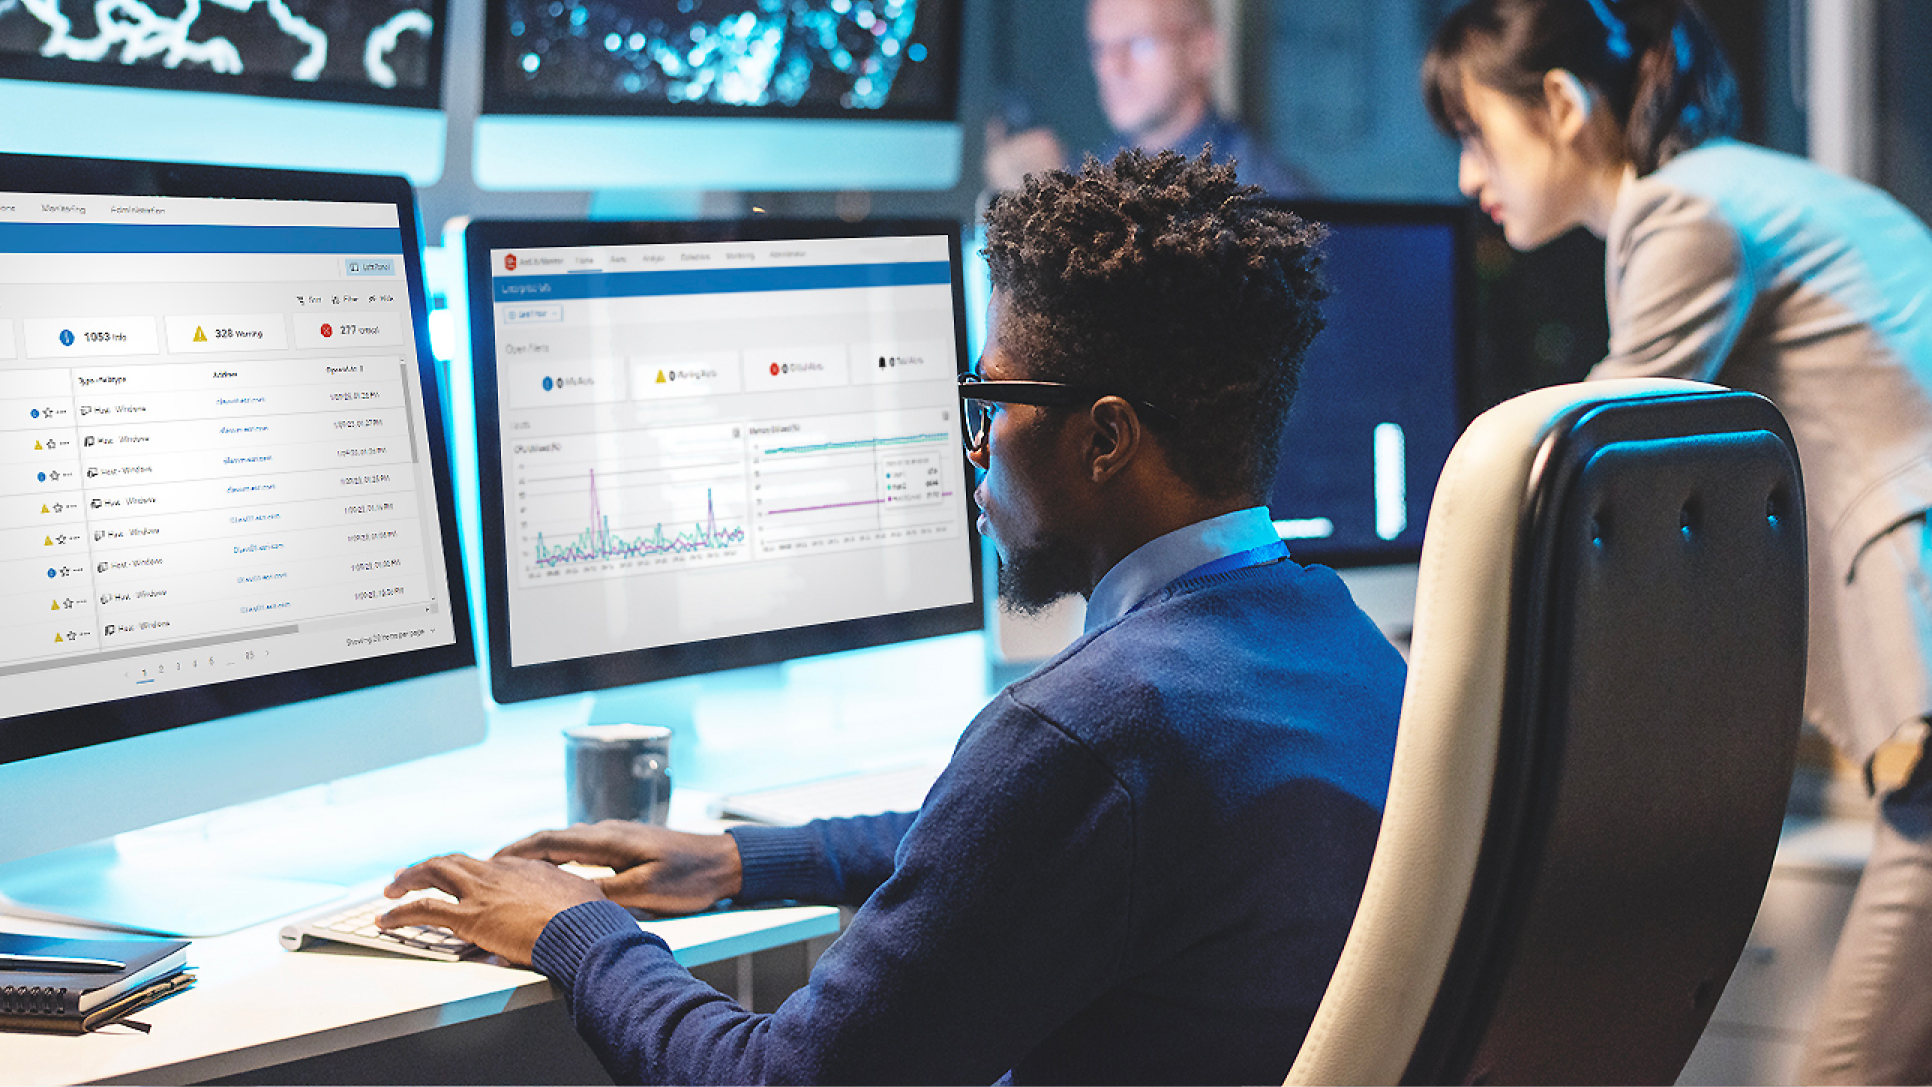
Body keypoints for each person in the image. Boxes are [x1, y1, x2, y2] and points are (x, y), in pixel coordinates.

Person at [379, 151, 1404, 1085]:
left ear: (1104, 439)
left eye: (991, 402)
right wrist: (749, 861)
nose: (973, 446)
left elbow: (775, 1081)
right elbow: (1031, 843)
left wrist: (577, 926)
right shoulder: (1342, 648)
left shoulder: (1085, 734)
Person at [1421, 1, 1932, 1082]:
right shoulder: (1760, 181)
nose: (1471, 178)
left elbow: (1581, 472)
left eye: (1474, 134)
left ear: (1560, 106)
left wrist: (1434, 657)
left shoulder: (1682, 213)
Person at [984, 0, 1306, 196]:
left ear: (1203, 49)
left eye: (1139, 44)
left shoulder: (1262, 194)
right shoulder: (1098, 170)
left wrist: (1056, 204)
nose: (1112, 68)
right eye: (1100, 48)